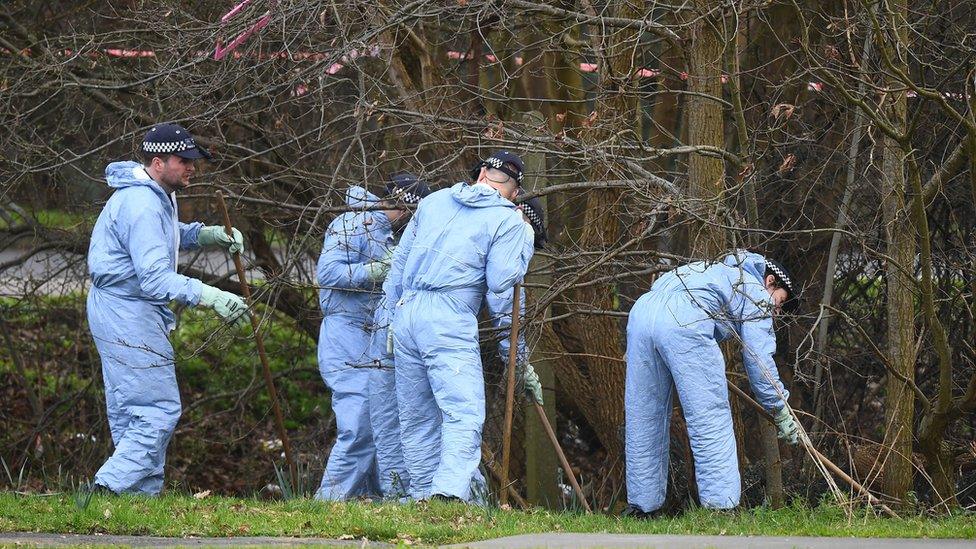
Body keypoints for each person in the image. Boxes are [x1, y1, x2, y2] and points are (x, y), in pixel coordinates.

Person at [87, 123, 249, 495]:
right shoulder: (142, 204)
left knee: (134, 412)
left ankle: (138, 500)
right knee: (157, 410)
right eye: (184, 160)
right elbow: (156, 280)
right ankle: (108, 488)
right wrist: (211, 296)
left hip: (123, 308)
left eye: (194, 159)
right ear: (158, 162)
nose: (192, 167)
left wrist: (204, 235)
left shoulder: (156, 193)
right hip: (127, 312)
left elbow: (166, 234)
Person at [368, 189, 547, 500]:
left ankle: (423, 496)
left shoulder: (438, 203)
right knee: (463, 411)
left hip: (406, 315)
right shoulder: (508, 224)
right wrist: (517, 360)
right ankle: (448, 494)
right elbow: (504, 295)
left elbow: (400, 265)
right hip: (447, 320)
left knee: (417, 415)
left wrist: (390, 319)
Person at [623, 250, 800, 517]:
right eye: (780, 302)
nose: (776, 311)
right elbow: (759, 358)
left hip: (642, 313)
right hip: (686, 320)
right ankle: (721, 507)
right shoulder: (754, 290)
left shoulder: (710, 270)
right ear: (770, 281)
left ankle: (641, 507)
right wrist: (779, 406)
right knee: (709, 416)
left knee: (643, 415)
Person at [315, 173, 430, 500]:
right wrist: (377, 271)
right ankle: (329, 505)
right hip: (345, 335)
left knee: (379, 422)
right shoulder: (355, 223)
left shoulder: (385, 233)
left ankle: (373, 503)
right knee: (361, 423)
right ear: (406, 209)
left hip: (371, 336)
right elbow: (328, 273)